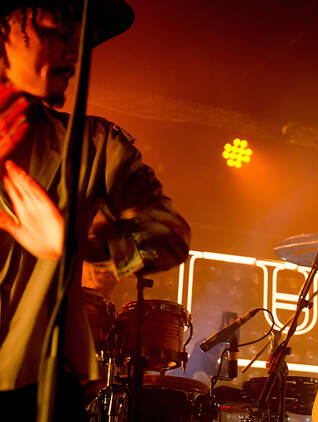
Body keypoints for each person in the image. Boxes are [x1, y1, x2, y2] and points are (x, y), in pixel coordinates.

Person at [0, 1, 190, 419]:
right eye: (55, 31)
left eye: (78, 38)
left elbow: (171, 233)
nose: (73, 52)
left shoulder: (94, 146)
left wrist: (80, 244)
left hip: (33, 387)